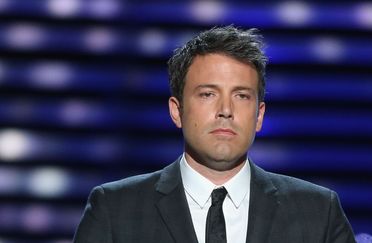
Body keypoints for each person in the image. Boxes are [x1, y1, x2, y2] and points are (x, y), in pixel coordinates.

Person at [73, 25, 356, 243]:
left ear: (259, 116)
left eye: (242, 96)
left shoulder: (318, 212)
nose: (225, 110)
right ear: (177, 110)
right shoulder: (114, 209)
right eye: (208, 94)